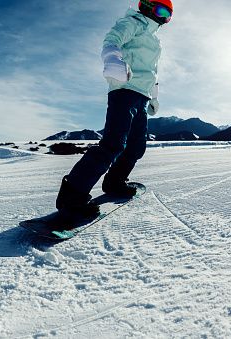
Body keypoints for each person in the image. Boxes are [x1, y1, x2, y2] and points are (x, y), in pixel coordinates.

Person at [56, 0, 173, 219]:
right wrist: (112, 59)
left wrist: (154, 96)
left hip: (142, 96)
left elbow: (153, 72)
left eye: (167, 15)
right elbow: (112, 40)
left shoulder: (155, 42)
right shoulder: (134, 22)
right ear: (146, 7)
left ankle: (115, 183)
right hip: (125, 89)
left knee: (136, 146)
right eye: (160, 10)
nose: (162, 18)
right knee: (113, 144)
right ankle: (72, 194)